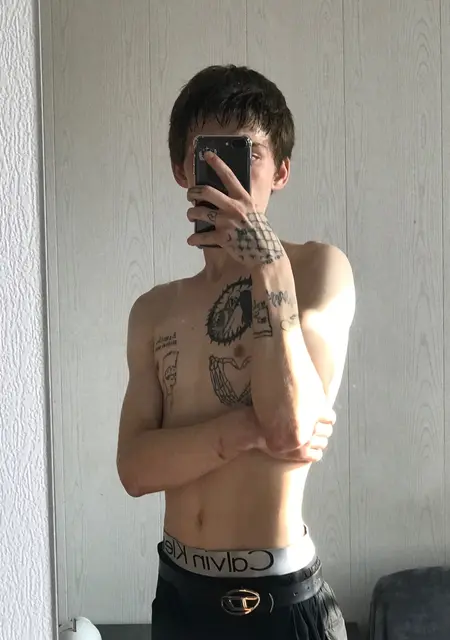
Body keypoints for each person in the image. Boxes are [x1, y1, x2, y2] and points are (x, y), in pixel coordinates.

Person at [116, 64, 355, 640]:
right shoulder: (155, 310)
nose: (230, 176)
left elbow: (289, 427)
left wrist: (268, 263)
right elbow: (136, 469)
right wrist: (245, 432)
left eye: (248, 154)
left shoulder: (318, 270)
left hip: (277, 599)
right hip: (178, 592)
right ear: (183, 170)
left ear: (282, 171)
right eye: (210, 155)